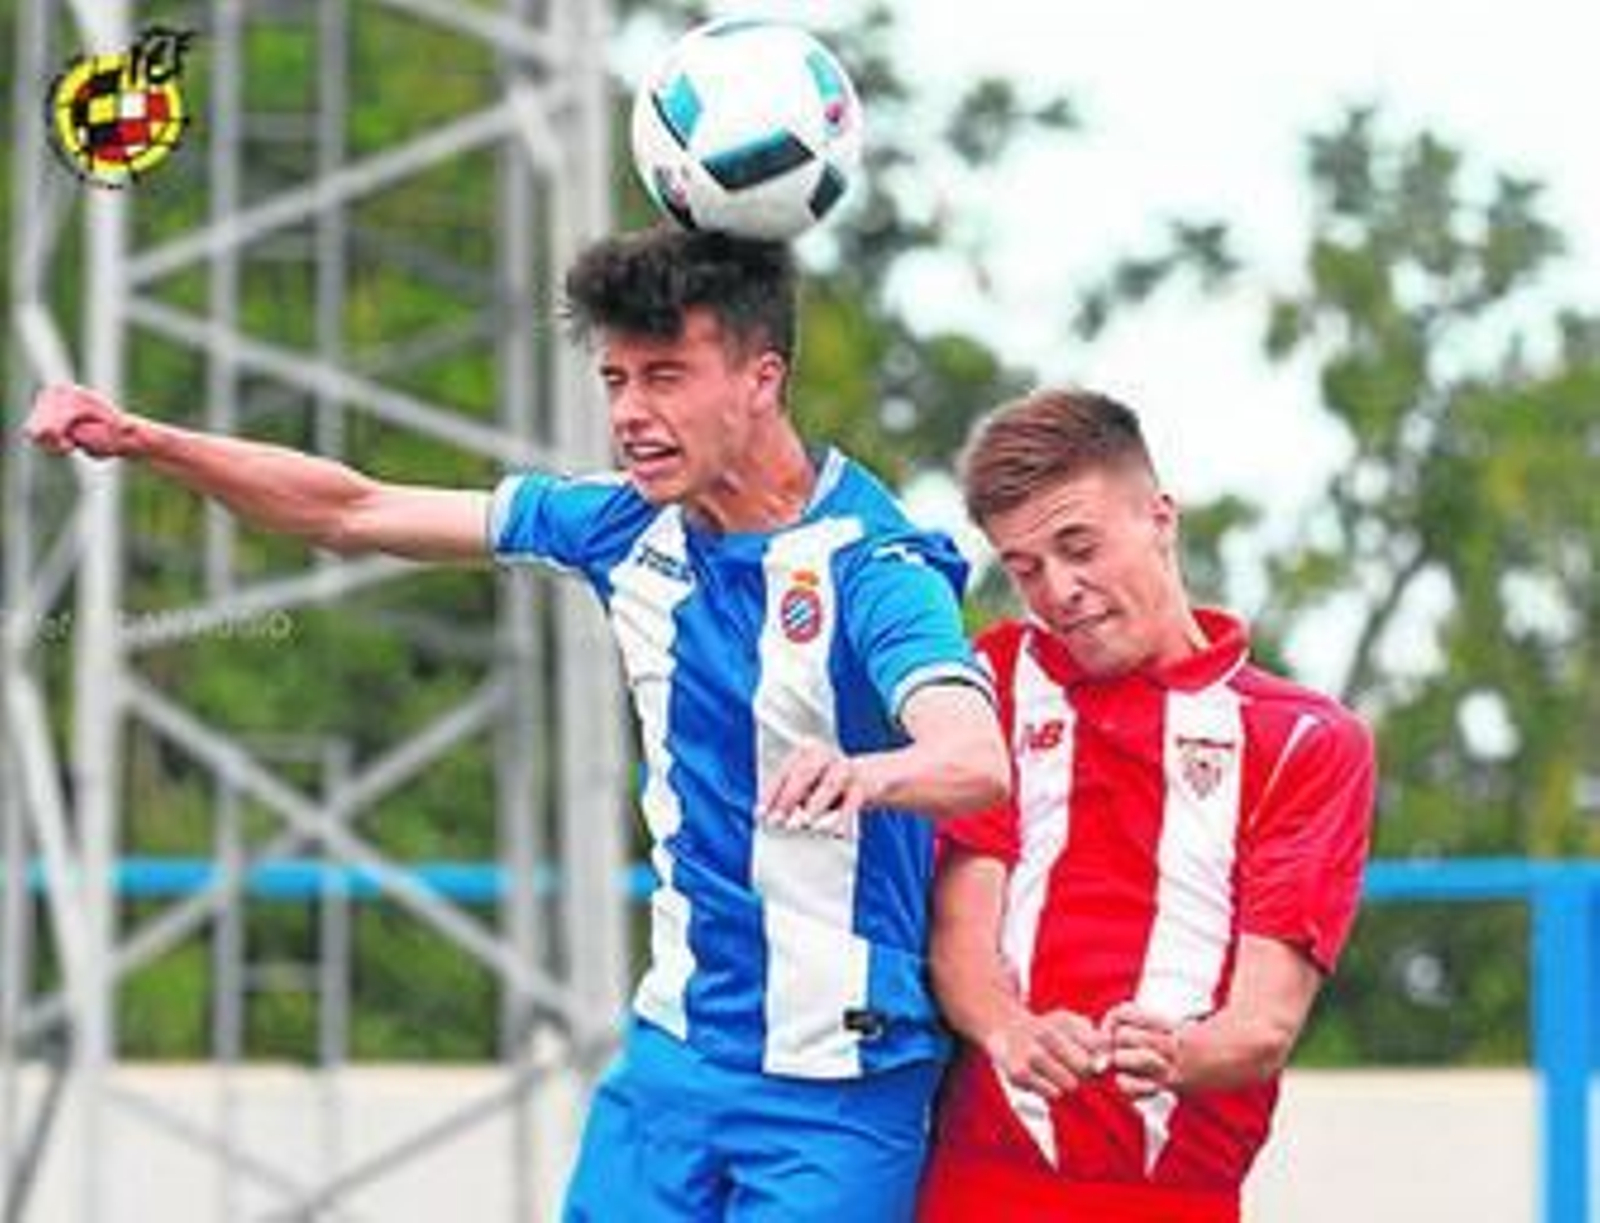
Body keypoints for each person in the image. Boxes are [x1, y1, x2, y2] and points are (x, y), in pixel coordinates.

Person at [25, 226, 1010, 1221]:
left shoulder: (874, 564)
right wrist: (149, 440)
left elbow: (974, 756)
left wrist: (869, 773)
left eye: (665, 377)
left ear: (763, 378)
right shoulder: (619, 523)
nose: (630, 414)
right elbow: (351, 510)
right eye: (615, 379)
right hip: (673, 1061)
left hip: (837, 1085)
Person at [918, 388, 1376, 1223]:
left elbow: (1264, 1023)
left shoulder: (1306, 739)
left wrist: (1179, 1052)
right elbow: (961, 936)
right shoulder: (996, 680)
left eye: (1078, 546)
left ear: (1160, 518)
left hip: (1171, 1196)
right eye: (1025, 568)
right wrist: (1011, 1027)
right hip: (976, 1182)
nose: (1059, 589)